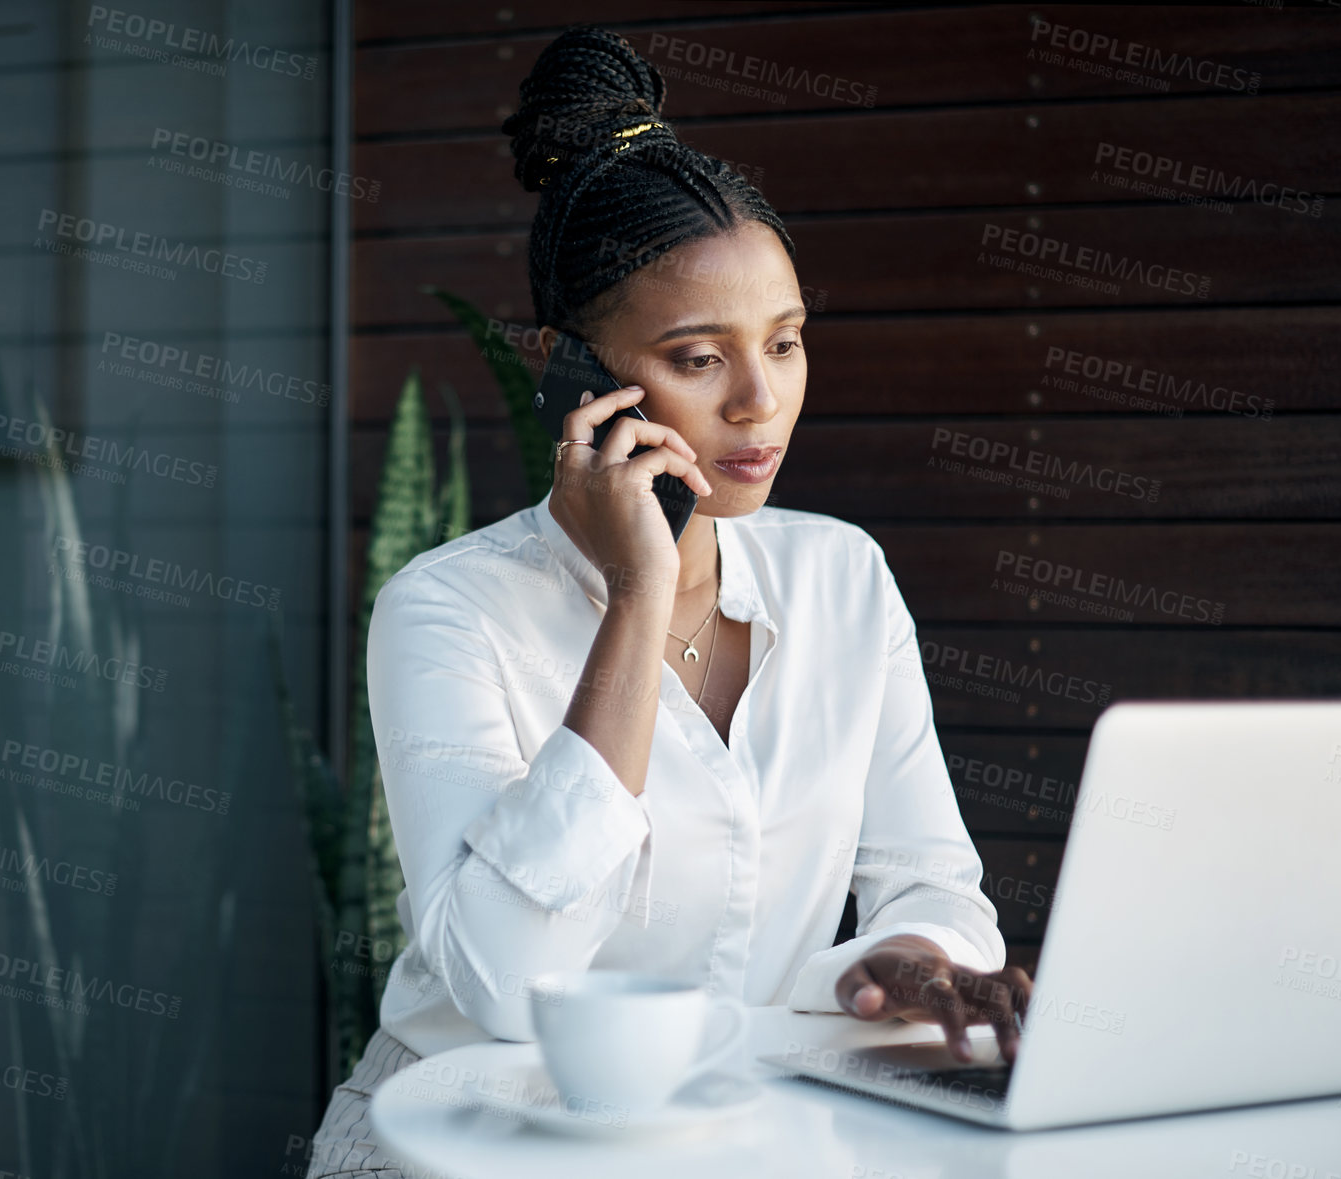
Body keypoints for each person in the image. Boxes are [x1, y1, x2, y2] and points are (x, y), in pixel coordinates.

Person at [305, 25, 1030, 1178]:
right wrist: (638, 598)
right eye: (698, 359)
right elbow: (501, 984)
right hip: (468, 1140)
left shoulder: (840, 575)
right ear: (569, 370)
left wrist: (903, 958)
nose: (759, 403)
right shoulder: (445, 610)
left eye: (784, 343)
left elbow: (929, 878)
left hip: (733, 1134)